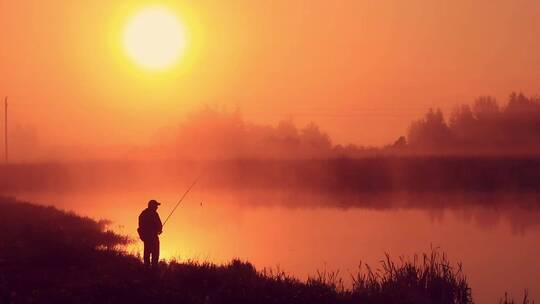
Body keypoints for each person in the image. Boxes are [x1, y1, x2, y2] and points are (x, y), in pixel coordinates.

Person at [138, 199, 163, 269]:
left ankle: (146, 269)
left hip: (146, 238)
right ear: (152, 206)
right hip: (153, 237)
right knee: (155, 255)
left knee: (147, 254)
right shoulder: (154, 214)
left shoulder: (142, 214)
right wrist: (159, 230)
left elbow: (140, 226)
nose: (157, 207)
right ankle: (154, 270)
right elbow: (159, 225)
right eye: (156, 206)